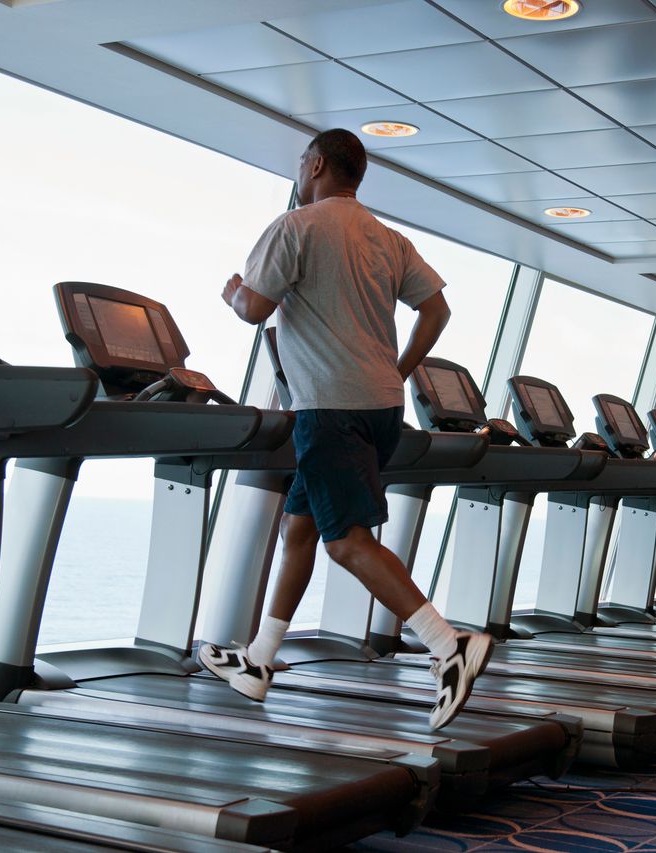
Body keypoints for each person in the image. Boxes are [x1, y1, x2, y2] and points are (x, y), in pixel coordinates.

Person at [200, 128, 492, 730]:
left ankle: (448, 645)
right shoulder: (387, 238)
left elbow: (254, 309)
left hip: (328, 410)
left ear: (314, 165)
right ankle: (258, 661)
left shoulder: (295, 226)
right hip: (381, 408)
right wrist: (400, 370)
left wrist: (233, 292)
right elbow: (436, 308)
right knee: (301, 529)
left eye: (301, 163)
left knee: (345, 541)